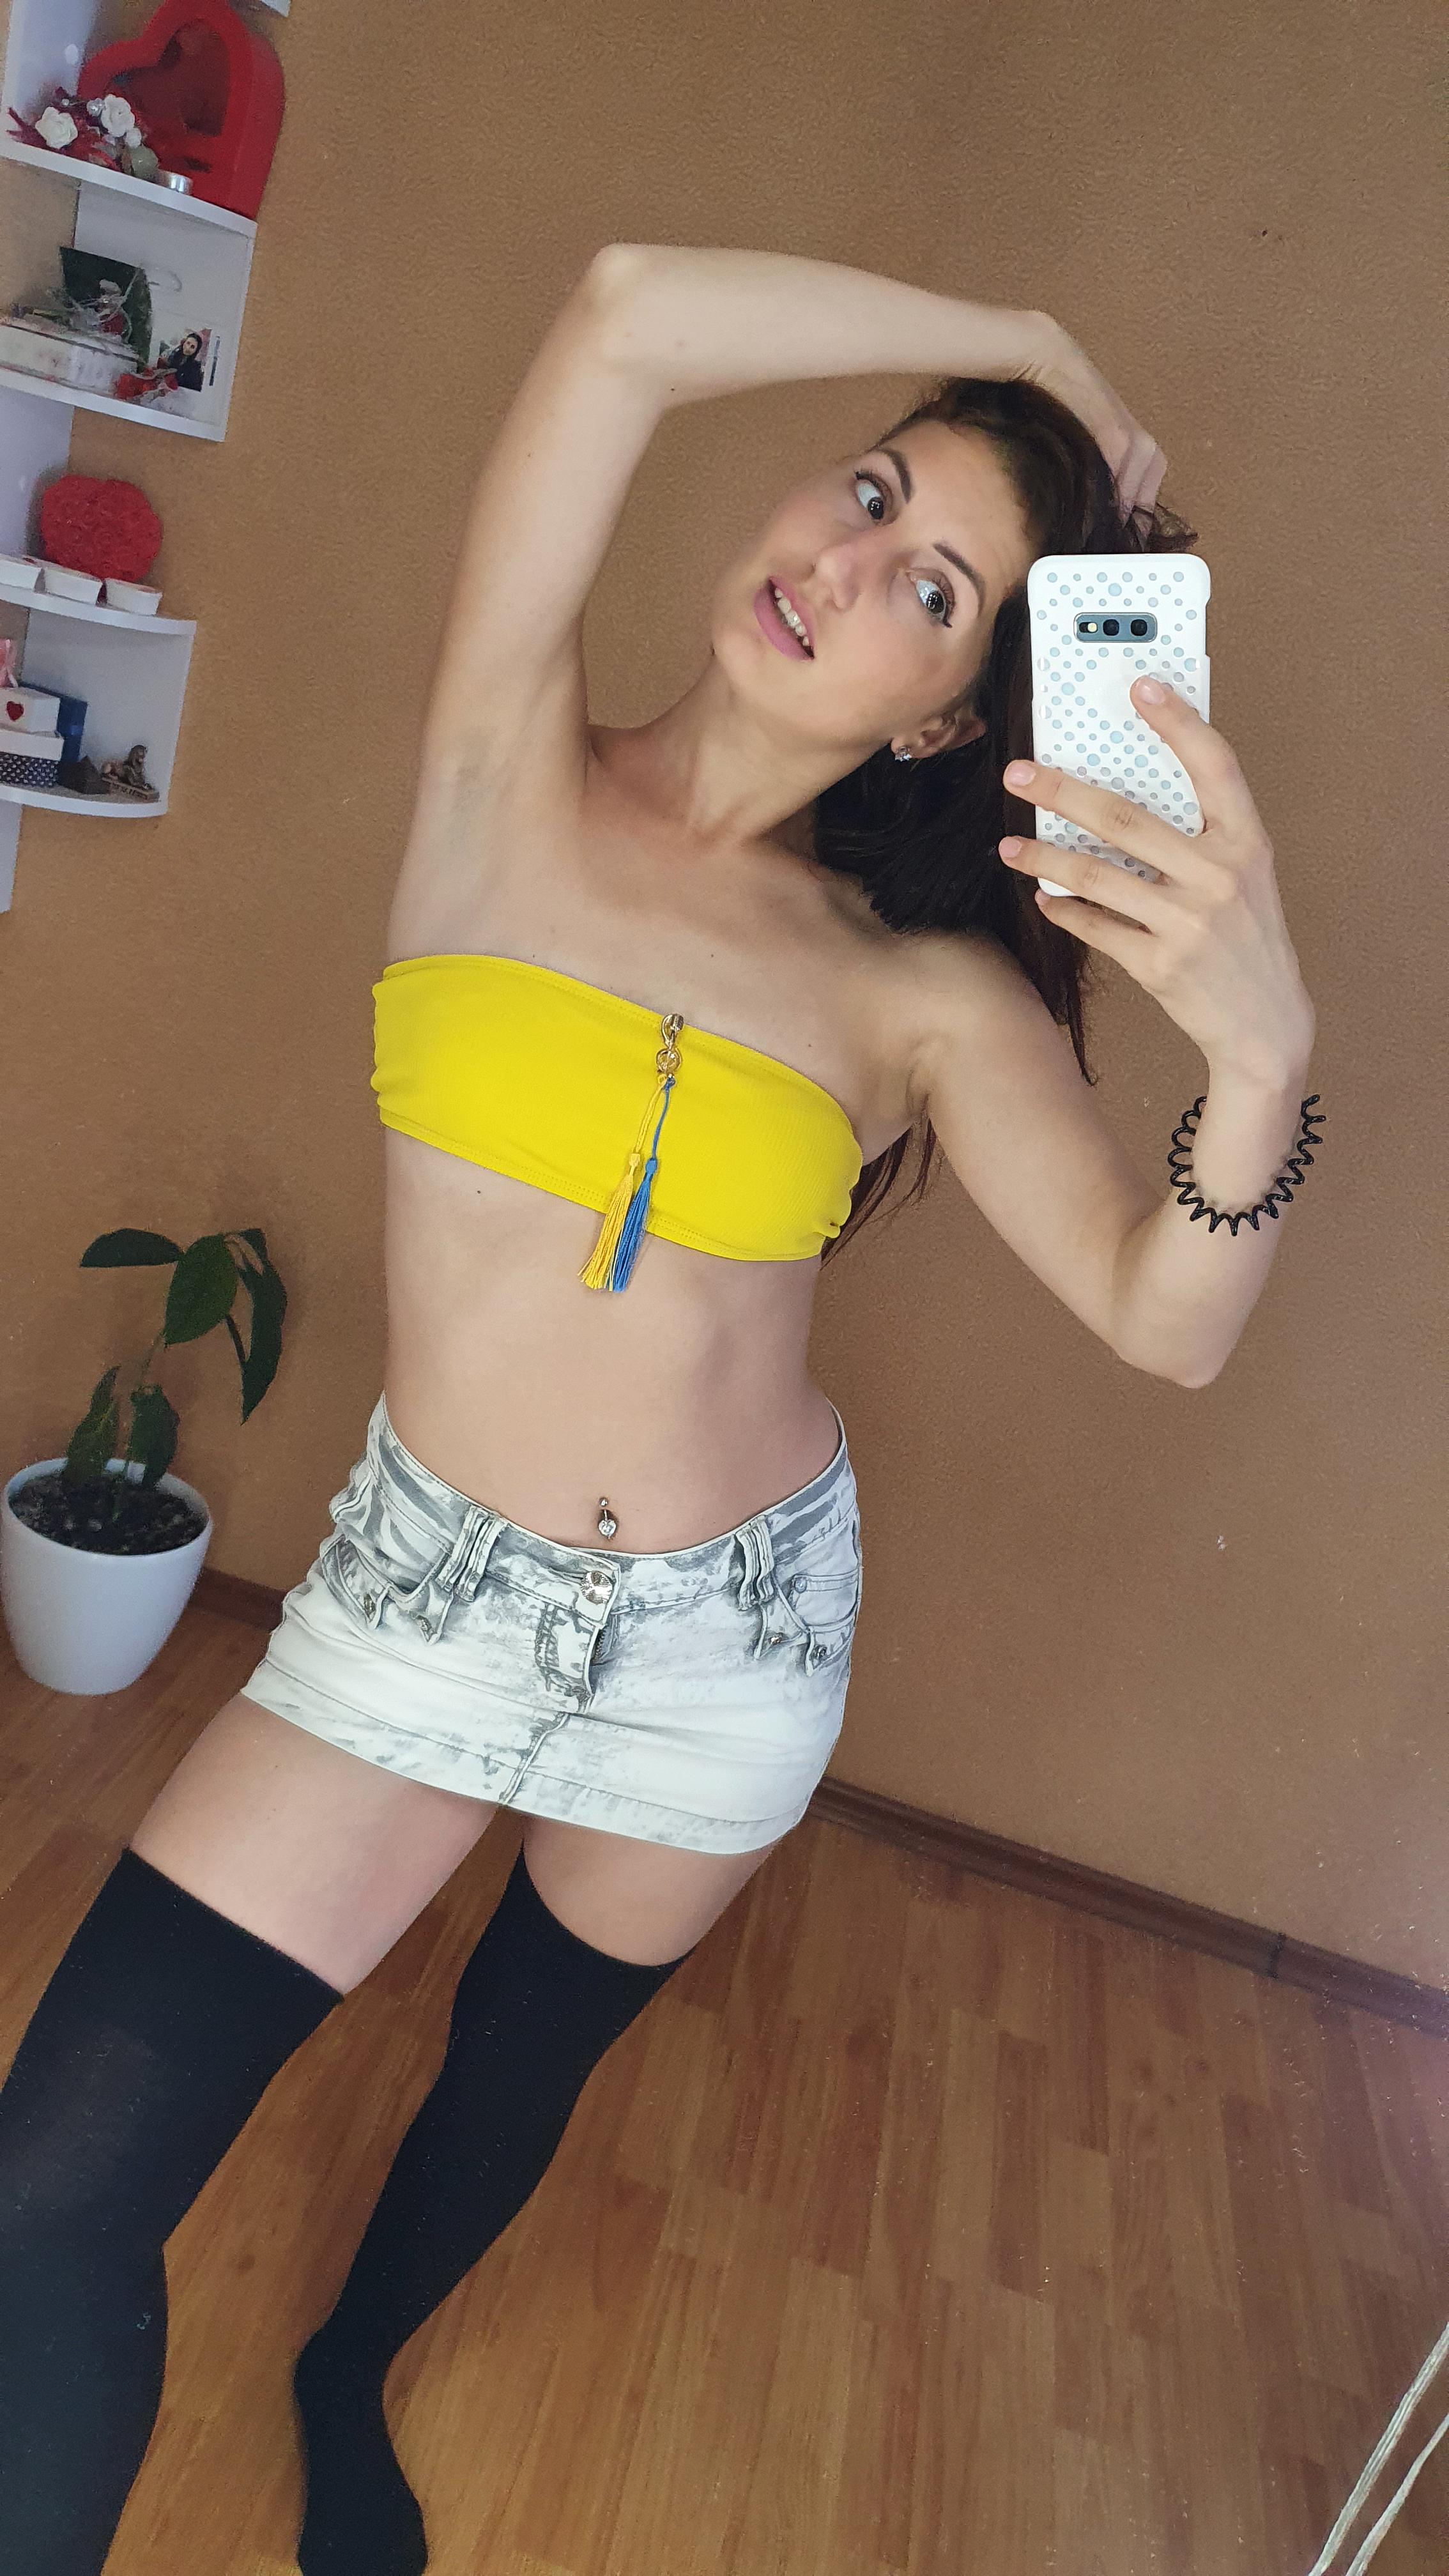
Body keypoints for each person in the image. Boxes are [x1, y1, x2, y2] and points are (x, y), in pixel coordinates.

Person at [0, 245, 1316, 2575]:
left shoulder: (919, 989)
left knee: (514, 2073)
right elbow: (616, 309)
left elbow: (1166, 1317)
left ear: (947, 721)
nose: (846, 565)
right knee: (50, 2200)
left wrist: (1265, 1064)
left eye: (933, 591)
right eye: (872, 493)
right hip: (423, 1600)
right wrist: (1028, 350)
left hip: (728, 1643)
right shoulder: (501, 754)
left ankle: (346, 2367)